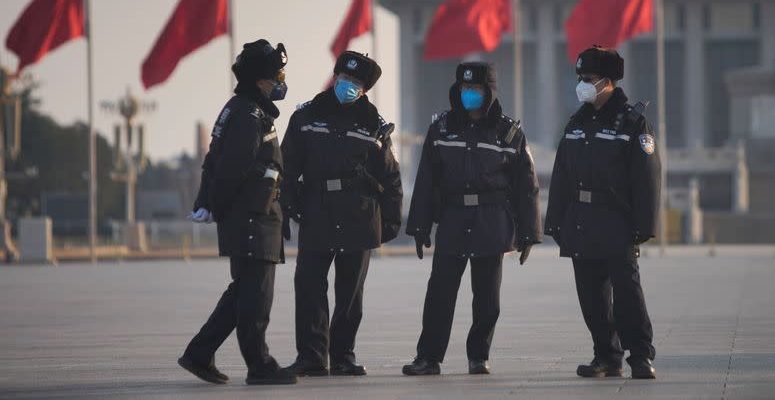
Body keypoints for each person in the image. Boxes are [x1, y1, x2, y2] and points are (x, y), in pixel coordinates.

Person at [402, 61, 542, 376]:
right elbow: (426, 180)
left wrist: (530, 231)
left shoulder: (508, 132)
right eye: (465, 88)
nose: (469, 94)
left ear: (489, 92)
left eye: (476, 89)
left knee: (487, 297)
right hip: (452, 220)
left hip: (492, 221)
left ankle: (478, 355)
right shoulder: (441, 128)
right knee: (439, 293)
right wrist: (420, 226)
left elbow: (527, 184)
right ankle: (428, 357)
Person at [178, 39, 296, 386]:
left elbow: (214, 162)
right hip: (251, 218)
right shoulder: (247, 114)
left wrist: (207, 201)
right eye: (278, 74)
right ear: (261, 79)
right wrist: (214, 205)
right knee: (255, 297)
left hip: (255, 217)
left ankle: (199, 353)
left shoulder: (244, 109)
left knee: (243, 293)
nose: (281, 81)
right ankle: (260, 366)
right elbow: (230, 168)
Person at [280, 50, 402, 377]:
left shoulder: (373, 124)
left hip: (359, 214)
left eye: (355, 82)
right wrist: (287, 205)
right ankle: (312, 356)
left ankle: (343, 356)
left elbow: (390, 176)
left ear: (364, 89)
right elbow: (286, 166)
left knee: (350, 292)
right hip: (316, 210)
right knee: (308, 285)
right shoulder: (305, 117)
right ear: (335, 77)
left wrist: (391, 219)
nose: (347, 84)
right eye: (344, 78)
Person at [544, 46, 659, 380]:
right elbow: (562, 174)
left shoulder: (632, 122)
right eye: (580, 78)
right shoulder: (576, 123)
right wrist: (555, 222)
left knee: (626, 292)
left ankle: (640, 356)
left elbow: (647, 178)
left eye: (589, 79)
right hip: (581, 219)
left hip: (616, 220)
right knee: (591, 295)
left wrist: (644, 225)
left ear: (607, 82)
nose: (582, 84)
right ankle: (606, 356)